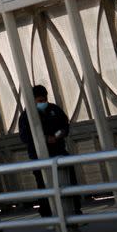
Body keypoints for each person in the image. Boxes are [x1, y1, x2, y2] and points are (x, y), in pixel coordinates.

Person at [18, 85, 82, 218]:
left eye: (44, 100)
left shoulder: (54, 110)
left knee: (69, 182)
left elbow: (65, 126)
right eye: (39, 101)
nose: (43, 103)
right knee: (44, 187)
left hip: (59, 152)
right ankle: (48, 216)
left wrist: (57, 135)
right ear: (32, 100)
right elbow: (25, 137)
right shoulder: (26, 116)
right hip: (39, 158)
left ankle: (75, 211)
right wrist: (45, 139)